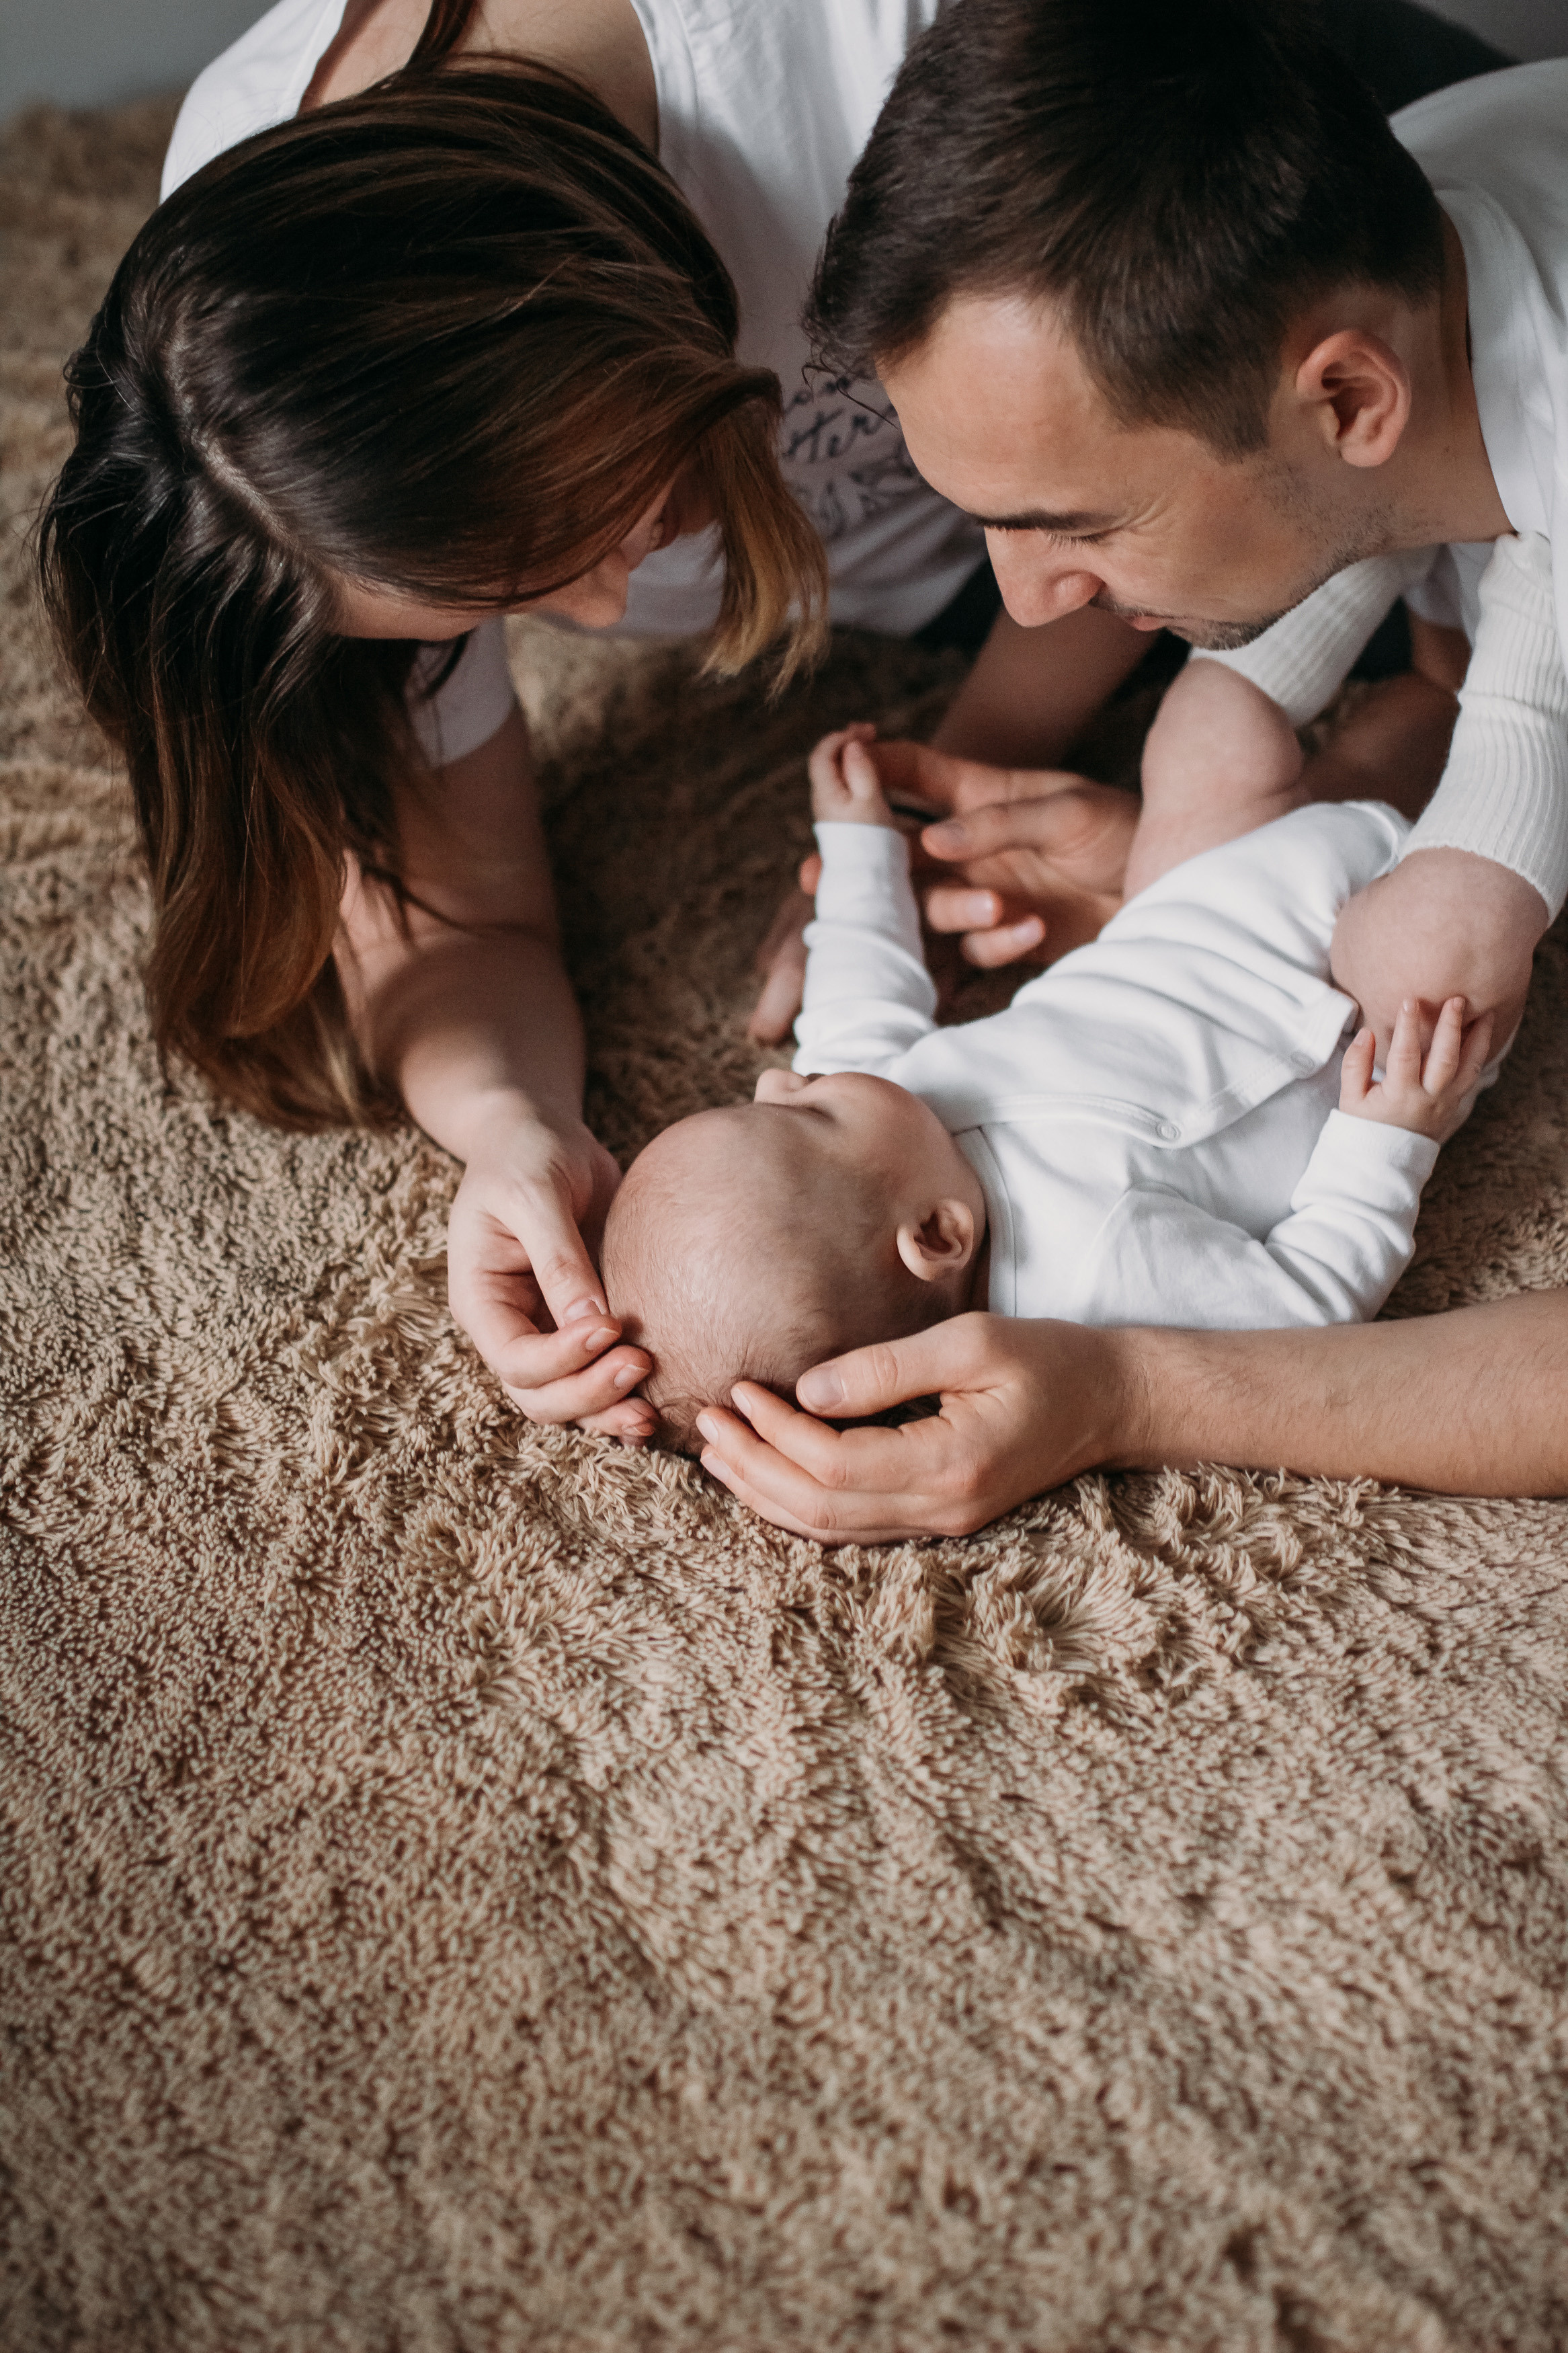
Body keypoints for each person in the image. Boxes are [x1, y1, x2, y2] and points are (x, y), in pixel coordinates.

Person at [37, 0, 1499, 1450]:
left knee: (1487, 556)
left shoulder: (874, 57)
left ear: (595, 311)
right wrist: (509, 1129)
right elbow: (461, 917)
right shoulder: (262, 429)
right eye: (503, 604)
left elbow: (1136, 483)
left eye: (576, 530)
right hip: (1032, 563)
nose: (612, 615)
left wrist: (989, 748)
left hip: (1237, 276)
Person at [693, 0, 1568, 1536]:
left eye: (1077, 524)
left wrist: (1131, 1387)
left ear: (1349, 399)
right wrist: (1204, 876)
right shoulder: (1418, 198)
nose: (1023, 606)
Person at [604, 724, 1487, 1451]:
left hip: (1221, 904)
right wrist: (1389, 1138)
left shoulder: (880, 1106)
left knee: (1211, 735)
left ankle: (1428, 660)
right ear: (937, 1235)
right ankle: (1517, 711)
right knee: (1458, 901)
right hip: (1373, 1025)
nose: (777, 1079)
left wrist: (858, 844)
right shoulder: (1085, 1280)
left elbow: (858, 978)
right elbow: (1306, 1307)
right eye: (805, 1116)